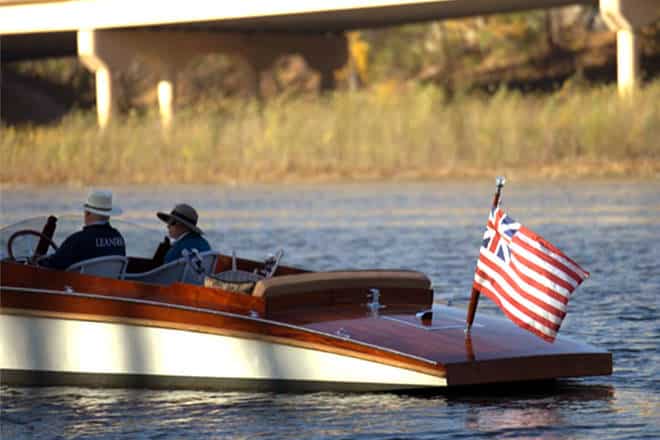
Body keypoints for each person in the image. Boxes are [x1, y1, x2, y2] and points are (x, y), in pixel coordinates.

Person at [39, 189, 126, 270]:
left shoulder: (77, 240)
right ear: (108, 215)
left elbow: (52, 266)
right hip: (110, 285)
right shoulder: (118, 238)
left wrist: (38, 260)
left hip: (78, 286)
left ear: (87, 213)